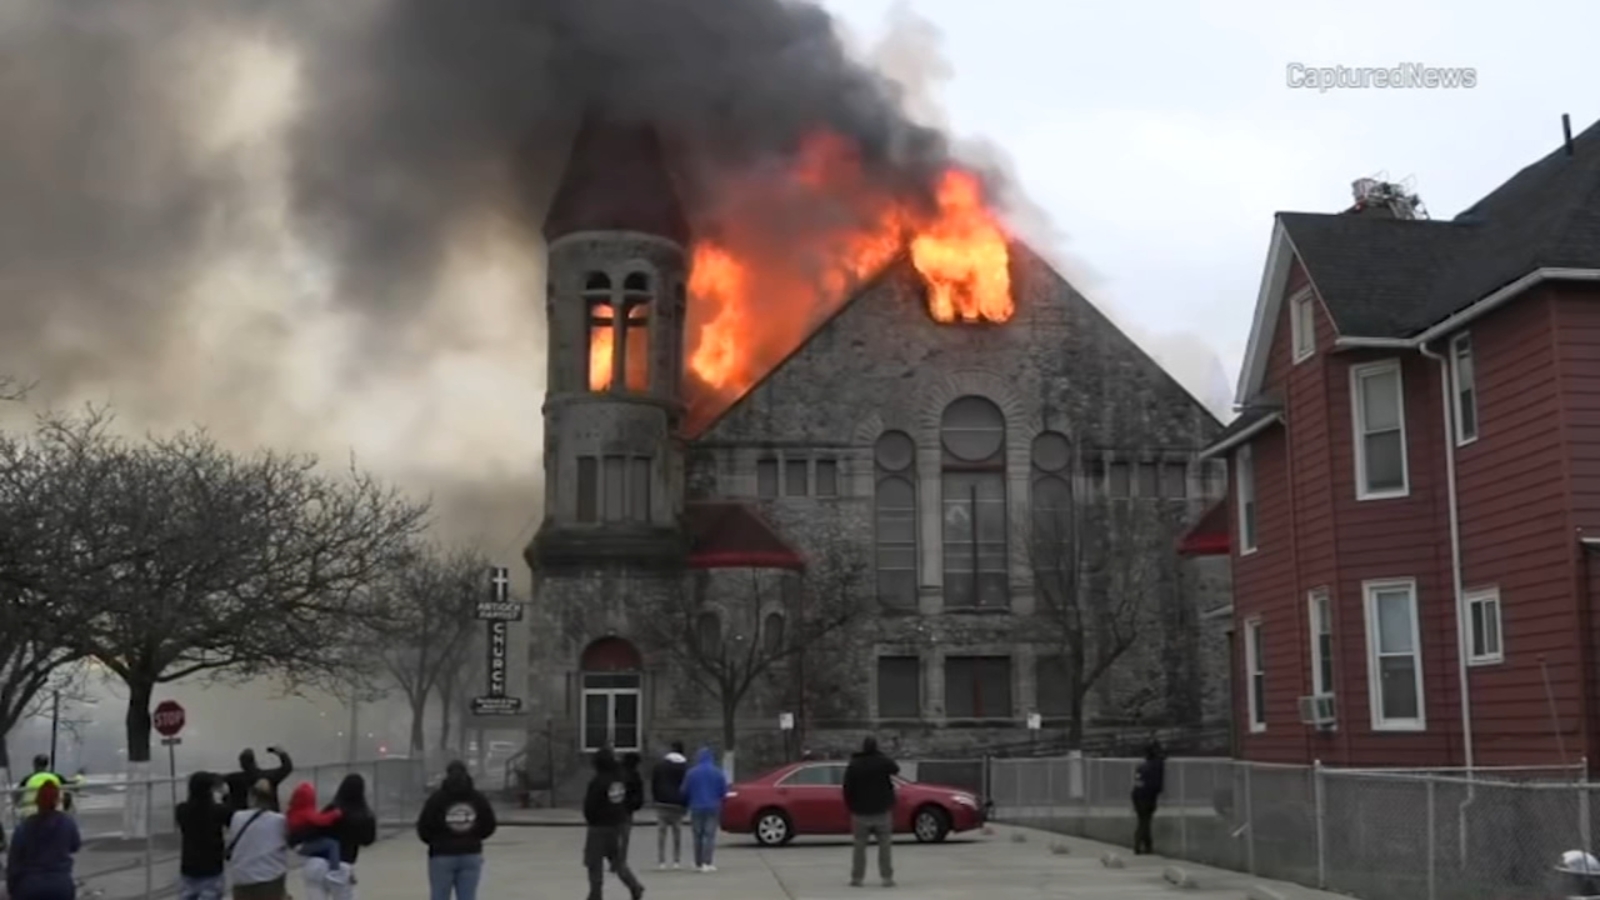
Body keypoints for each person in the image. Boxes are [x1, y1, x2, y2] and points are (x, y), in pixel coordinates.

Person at [417, 760, 498, 900]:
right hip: (470, 853)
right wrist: (475, 837)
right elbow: (489, 824)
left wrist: (435, 842)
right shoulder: (477, 798)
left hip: (441, 854)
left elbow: (424, 826)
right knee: (468, 896)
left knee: (439, 896)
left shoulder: (437, 799)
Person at [581, 748, 644, 900]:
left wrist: (590, 819)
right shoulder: (619, 779)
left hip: (599, 827)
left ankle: (595, 894)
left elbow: (590, 805)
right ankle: (634, 886)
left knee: (594, 863)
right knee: (618, 861)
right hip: (617, 824)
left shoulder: (598, 781)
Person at [302, 774, 377, 900]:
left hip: (317, 863)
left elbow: (314, 830)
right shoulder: (364, 815)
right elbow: (368, 840)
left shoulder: (331, 808)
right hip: (342, 863)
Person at [5, 781, 80, 900]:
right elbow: (75, 846)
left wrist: (11, 889)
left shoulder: (23, 828)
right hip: (61, 885)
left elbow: (13, 864)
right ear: (57, 801)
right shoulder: (68, 822)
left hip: (29, 886)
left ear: (37, 801)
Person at [842, 736, 899, 888]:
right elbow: (895, 768)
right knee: (885, 845)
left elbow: (847, 788)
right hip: (881, 810)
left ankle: (857, 878)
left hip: (860, 812)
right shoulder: (882, 762)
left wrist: (851, 806)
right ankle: (887, 877)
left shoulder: (854, 764)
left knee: (859, 846)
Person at [226, 780, 290, 900]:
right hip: (271, 878)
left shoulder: (237, 817)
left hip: (243, 879)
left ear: (252, 797)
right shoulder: (279, 820)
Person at [175, 771, 233, 900]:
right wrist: (225, 796)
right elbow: (231, 818)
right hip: (212, 867)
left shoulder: (181, 810)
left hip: (188, 867)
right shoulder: (218, 811)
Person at [681, 747, 727, 874]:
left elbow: (684, 790)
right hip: (713, 807)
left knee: (697, 835)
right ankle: (708, 862)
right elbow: (723, 791)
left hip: (696, 807)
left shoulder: (691, 773)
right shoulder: (717, 772)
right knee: (709, 835)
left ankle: (698, 862)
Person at [284, 783, 346, 870]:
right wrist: (335, 814)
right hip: (303, 845)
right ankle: (335, 871)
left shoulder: (293, 811)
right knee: (332, 844)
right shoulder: (305, 812)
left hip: (296, 844)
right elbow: (322, 821)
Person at [648, 742, 688, 870]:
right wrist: (685, 802)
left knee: (662, 833)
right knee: (677, 833)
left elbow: (654, 783)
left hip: (662, 802)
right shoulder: (685, 767)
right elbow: (686, 786)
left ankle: (662, 861)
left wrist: (655, 798)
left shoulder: (660, 766)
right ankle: (676, 861)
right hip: (678, 804)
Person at [225, 748, 293, 813]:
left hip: (244, 819)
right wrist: (282, 753)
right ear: (254, 762)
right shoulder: (268, 776)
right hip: (270, 814)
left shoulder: (233, 779)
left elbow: (217, 781)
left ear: (241, 764)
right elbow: (287, 767)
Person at [1131, 741, 1166, 855]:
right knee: (1145, 821)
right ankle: (1138, 843)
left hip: (1137, 795)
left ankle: (1148, 845)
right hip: (1147, 796)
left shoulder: (1142, 766)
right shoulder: (1156, 765)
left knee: (1144, 820)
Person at [617, 752, 644, 868]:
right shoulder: (634, 774)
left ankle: (614, 859)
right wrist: (636, 805)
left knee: (615, 836)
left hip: (614, 809)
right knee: (624, 837)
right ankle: (621, 861)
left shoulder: (617, 773)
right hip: (627, 809)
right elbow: (638, 792)